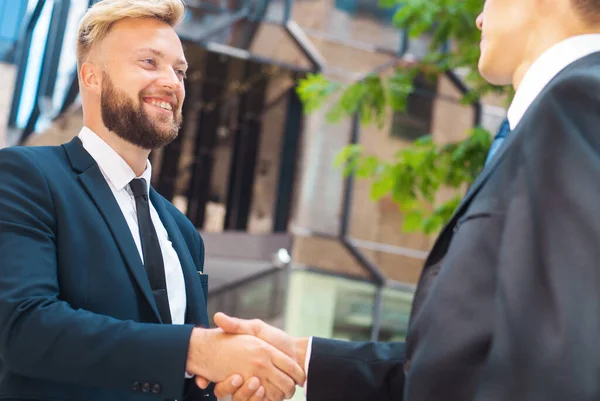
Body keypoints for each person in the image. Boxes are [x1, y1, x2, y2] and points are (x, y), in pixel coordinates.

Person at [208, 0, 600, 399]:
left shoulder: (581, 99)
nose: (480, 18)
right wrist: (300, 355)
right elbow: (465, 366)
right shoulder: (558, 111)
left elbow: (565, 354)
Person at [0, 1, 305, 400]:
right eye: (149, 62)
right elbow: (24, 329)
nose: (171, 82)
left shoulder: (182, 232)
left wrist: (226, 385)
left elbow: (179, 377)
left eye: (179, 71)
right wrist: (197, 349)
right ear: (92, 76)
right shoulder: (25, 176)